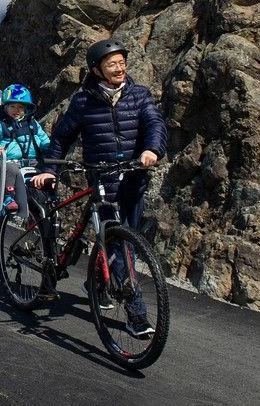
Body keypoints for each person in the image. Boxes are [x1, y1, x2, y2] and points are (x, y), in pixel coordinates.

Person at [32, 38, 166, 338]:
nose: (119, 68)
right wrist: (51, 170)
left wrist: (152, 150)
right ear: (96, 69)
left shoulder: (139, 95)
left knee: (123, 240)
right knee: (119, 244)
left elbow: (155, 125)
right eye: (112, 64)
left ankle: (99, 282)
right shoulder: (83, 102)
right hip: (102, 178)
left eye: (121, 63)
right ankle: (136, 315)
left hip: (133, 177)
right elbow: (61, 139)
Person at [0, 84, 53, 221]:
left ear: (26, 109)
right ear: (6, 108)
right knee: (11, 170)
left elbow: (44, 138)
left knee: (48, 169)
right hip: (12, 160)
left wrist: (50, 148)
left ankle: (49, 197)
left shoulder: (33, 124)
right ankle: (9, 198)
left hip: (34, 159)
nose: (16, 110)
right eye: (12, 106)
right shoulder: (1, 123)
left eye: (20, 107)